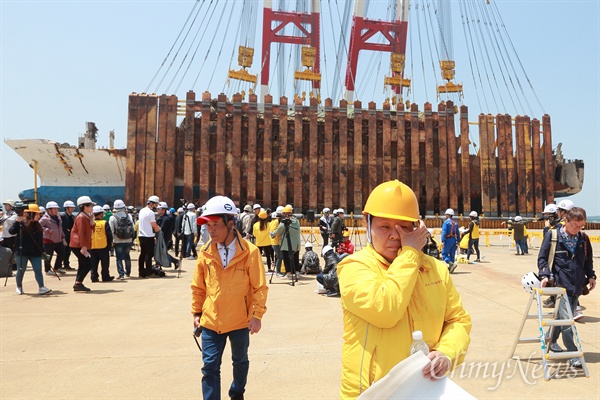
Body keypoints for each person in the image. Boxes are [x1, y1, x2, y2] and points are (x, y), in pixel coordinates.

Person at [337, 180, 471, 399]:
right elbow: (385, 310)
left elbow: (458, 320)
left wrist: (446, 353)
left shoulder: (435, 268)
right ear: (366, 224)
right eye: (385, 226)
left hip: (424, 389)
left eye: (404, 228)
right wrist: (409, 253)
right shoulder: (354, 267)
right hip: (373, 392)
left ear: (417, 228)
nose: (395, 235)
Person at [191, 195, 268, 400]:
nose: (211, 230)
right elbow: (198, 286)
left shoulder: (250, 253)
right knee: (209, 367)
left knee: (240, 361)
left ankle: (236, 392)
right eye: (208, 225)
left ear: (231, 224)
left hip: (240, 320)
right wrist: (197, 311)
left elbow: (259, 287)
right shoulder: (205, 252)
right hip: (211, 319)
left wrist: (257, 315)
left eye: (216, 224)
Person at [538, 207, 595, 368]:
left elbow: (588, 259)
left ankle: (551, 341)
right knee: (567, 321)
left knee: (561, 318)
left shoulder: (583, 238)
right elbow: (542, 258)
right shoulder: (553, 235)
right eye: (575, 225)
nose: (577, 229)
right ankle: (572, 352)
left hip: (577, 285)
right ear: (566, 221)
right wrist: (544, 275)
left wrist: (591, 276)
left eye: (581, 226)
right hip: (560, 285)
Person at [9, 204, 52, 295]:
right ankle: (19, 287)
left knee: (38, 270)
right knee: (21, 270)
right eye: (36, 214)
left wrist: (43, 250)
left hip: (35, 252)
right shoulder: (21, 223)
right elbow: (11, 231)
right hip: (22, 252)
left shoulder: (38, 225)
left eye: (39, 214)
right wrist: (17, 222)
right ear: (30, 214)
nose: (39, 216)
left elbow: (40, 241)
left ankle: (41, 287)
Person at [70, 196, 95, 292]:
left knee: (82, 264)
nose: (92, 207)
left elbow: (90, 230)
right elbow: (81, 232)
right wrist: (83, 246)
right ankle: (78, 283)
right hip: (78, 244)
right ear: (84, 206)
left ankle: (78, 283)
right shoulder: (81, 217)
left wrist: (92, 221)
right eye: (90, 205)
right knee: (88, 264)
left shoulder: (86, 216)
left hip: (79, 244)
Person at [272, 205, 301, 279]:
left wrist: (272, 234)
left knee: (286, 259)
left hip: (286, 245)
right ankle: (297, 273)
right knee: (295, 258)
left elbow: (278, 231)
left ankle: (289, 273)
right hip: (296, 245)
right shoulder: (297, 221)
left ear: (285, 214)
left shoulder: (284, 223)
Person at [39, 201, 66, 275]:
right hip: (48, 240)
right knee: (48, 256)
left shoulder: (58, 217)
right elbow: (38, 226)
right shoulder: (44, 218)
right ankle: (47, 270)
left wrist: (63, 236)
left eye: (57, 209)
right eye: (54, 209)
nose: (56, 210)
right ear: (49, 210)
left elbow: (60, 228)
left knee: (62, 253)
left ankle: (57, 267)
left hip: (59, 240)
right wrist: (47, 230)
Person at [109, 199, 134, 279]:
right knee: (127, 256)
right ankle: (128, 272)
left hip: (117, 240)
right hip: (128, 240)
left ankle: (121, 274)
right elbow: (132, 228)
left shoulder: (113, 217)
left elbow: (111, 230)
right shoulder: (129, 216)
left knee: (119, 258)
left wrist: (112, 240)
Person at [138, 195, 161, 278]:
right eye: (156, 204)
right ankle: (149, 272)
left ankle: (141, 271)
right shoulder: (150, 212)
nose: (156, 206)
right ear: (152, 203)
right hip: (148, 236)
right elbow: (154, 225)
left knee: (142, 254)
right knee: (149, 255)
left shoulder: (142, 210)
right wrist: (158, 230)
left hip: (141, 235)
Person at [89, 205, 114, 282]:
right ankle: (105, 276)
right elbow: (109, 234)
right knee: (105, 263)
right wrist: (111, 243)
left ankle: (94, 277)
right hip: (103, 246)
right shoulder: (104, 223)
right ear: (101, 214)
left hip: (92, 246)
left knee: (93, 264)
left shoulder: (90, 223)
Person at [1, 199, 19, 271]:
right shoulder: (6, 214)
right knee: (5, 251)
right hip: (5, 236)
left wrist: (3, 216)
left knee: (12, 252)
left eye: (7, 205)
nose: (5, 206)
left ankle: (15, 265)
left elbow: (11, 221)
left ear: (11, 206)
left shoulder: (14, 214)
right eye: (5, 205)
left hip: (11, 236)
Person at [60, 200, 76, 270]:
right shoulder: (62, 216)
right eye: (71, 207)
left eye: (73, 207)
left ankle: (66, 265)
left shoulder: (72, 217)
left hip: (70, 237)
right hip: (64, 236)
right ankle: (59, 265)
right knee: (62, 252)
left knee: (68, 252)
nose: (73, 209)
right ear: (66, 208)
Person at [269, 207, 284, 275]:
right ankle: (278, 271)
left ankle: (278, 270)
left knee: (278, 256)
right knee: (280, 256)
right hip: (276, 242)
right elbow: (275, 232)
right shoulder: (276, 222)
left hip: (275, 242)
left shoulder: (273, 222)